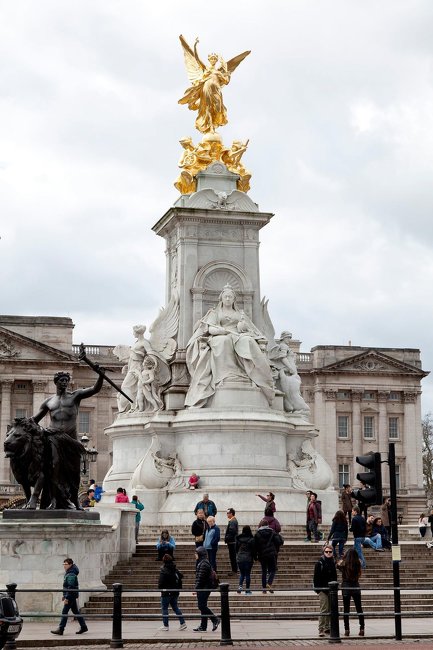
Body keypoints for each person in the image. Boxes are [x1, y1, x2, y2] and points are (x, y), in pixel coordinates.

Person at [185, 284, 274, 408]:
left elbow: (249, 329)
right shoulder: (214, 312)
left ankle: (252, 375)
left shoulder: (240, 313)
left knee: (248, 341)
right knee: (224, 341)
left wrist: (242, 327)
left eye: (230, 297)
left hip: (237, 335)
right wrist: (221, 331)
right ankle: (226, 375)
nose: (228, 299)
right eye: (226, 296)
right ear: (221, 298)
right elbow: (210, 328)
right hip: (219, 336)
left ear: (234, 299)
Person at [32, 370, 103, 510]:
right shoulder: (48, 402)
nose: (64, 382)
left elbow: (95, 389)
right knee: (54, 466)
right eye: (62, 380)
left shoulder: (75, 396)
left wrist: (100, 375)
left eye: (66, 380)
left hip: (70, 439)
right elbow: (35, 420)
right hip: (54, 437)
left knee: (74, 471)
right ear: (56, 382)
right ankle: (53, 500)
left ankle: (74, 500)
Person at [51, 558, 88, 635]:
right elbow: (68, 587)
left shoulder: (71, 574)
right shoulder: (70, 572)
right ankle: (84, 627)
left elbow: (70, 587)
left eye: (66, 564)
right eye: (63, 564)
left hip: (70, 596)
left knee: (64, 612)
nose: (64, 566)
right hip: (71, 595)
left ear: (70, 565)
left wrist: (66, 598)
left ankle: (61, 629)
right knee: (76, 612)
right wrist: (64, 595)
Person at [337, 548, 365, 637]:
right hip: (356, 586)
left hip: (346, 586)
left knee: (346, 609)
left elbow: (337, 565)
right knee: (359, 608)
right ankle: (362, 628)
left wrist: (344, 557)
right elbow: (361, 563)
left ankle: (347, 629)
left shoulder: (344, 564)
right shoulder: (358, 563)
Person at [193, 547, 220, 632]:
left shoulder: (203, 563)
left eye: (196, 553)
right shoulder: (202, 562)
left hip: (204, 588)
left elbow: (201, 578)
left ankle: (215, 619)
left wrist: (196, 588)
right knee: (202, 607)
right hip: (203, 588)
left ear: (200, 554)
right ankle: (203, 626)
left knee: (201, 606)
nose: (195, 555)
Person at [158, 553, 187, 631]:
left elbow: (161, 582)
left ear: (163, 561)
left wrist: (161, 588)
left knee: (164, 609)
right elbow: (181, 576)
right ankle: (183, 623)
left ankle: (166, 625)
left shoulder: (163, 570)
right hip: (175, 592)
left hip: (166, 592)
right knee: (175, 607)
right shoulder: (174, 568)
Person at [313, 544, 337, 637]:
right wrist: (318, 590)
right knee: (324, 609)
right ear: (323, 552)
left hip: (331, 590)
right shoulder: (319, 563)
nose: (328, 553)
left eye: (330, 552)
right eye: (326, 552)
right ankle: (321, 628)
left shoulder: (332, 562)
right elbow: (316, 577)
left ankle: (327, 627)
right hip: (322, 589)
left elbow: (334, 576)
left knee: (330, 609)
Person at [254, 521, 281, 594]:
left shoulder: (257, 534)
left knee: (264, 571)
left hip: (262, 555)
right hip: (271, 554)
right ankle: (269, 583)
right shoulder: (272, 532)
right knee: (273, 569)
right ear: (268, 525)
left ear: (261, 525)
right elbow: (278, 542)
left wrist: (255, 556)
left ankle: (264, 589)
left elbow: (255, 546)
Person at [236, 525, 255, 595]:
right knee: (247, 574)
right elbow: (253, 550)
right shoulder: (251, 539)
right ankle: (247, 590)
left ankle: (240, 587)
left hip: (240, 558)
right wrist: (255, 557)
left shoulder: (238, 538)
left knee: (242, 574)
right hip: (248, 558)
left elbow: (236, 548)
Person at [225, 508, 239, 574]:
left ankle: (234, 570)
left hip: (232, 542)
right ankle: (234, 570)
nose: (227, 514)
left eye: (228, 513)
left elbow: (232, 531)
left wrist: (227, 538)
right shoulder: (232, 520)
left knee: (232, 556)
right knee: (233, 556)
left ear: (231, 513)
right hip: (232, 541)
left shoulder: (233, 521)